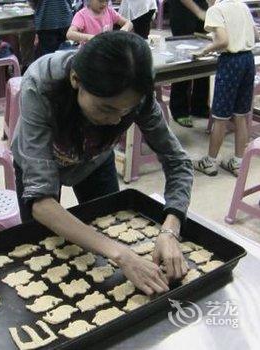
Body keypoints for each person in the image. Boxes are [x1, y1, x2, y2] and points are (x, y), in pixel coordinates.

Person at [12, 31, 194, 295]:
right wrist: (122, 255)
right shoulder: (41, 84)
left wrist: (170, 229)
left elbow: (177, 162)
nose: (116, 121)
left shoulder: (137, 98)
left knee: (110, 236)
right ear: (76, 79)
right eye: (106, 109)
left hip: (94, 161)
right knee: (44, 254)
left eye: (125, 112)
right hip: (37, 160)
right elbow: (41, 202)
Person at [193, 0, 258, 177]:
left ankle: (210, 162)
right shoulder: (242, 5)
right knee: (240, 115)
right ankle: (238, 162)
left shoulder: (216, 10)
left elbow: (223, 40)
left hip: (230, 63)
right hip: (247, 60)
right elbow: (256, 34)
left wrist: (205, 50)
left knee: (220, 116)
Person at [169, 0, 210, 127]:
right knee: (183, 60)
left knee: (205, 57)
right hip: (183, 11)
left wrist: (212, 8)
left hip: (202, 8)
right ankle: (179, 109)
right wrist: (198, 11)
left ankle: (200, 106)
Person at [66, 0, 132, 44]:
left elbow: (129, 23)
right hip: (89, 52)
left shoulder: (109, 11)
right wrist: (90, 37)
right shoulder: (81, 15)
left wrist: (123, 30)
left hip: (106, 49)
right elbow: (70, 34)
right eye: (100, 1)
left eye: (106, 1)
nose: (104, 4)